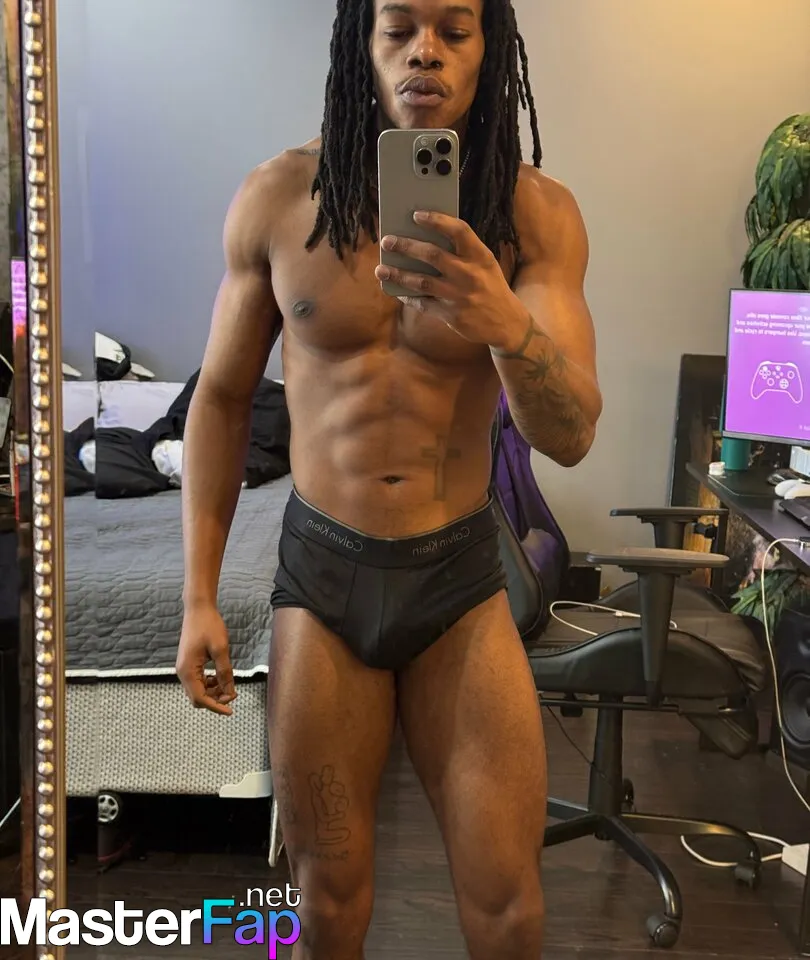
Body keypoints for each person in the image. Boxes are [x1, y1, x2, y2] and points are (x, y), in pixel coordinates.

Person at [176, 1, 602, 957]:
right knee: (325, 907)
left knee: (508, 906)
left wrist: (505, 324)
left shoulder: (536, 216)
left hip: (458, 576)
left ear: (489, 50)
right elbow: (221, 400)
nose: (425, 52)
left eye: (455, 29)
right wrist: (198, 595)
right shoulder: (279, 199)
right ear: (359, 46)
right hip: (324, 576)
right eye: (399, 27)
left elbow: (571, 434)